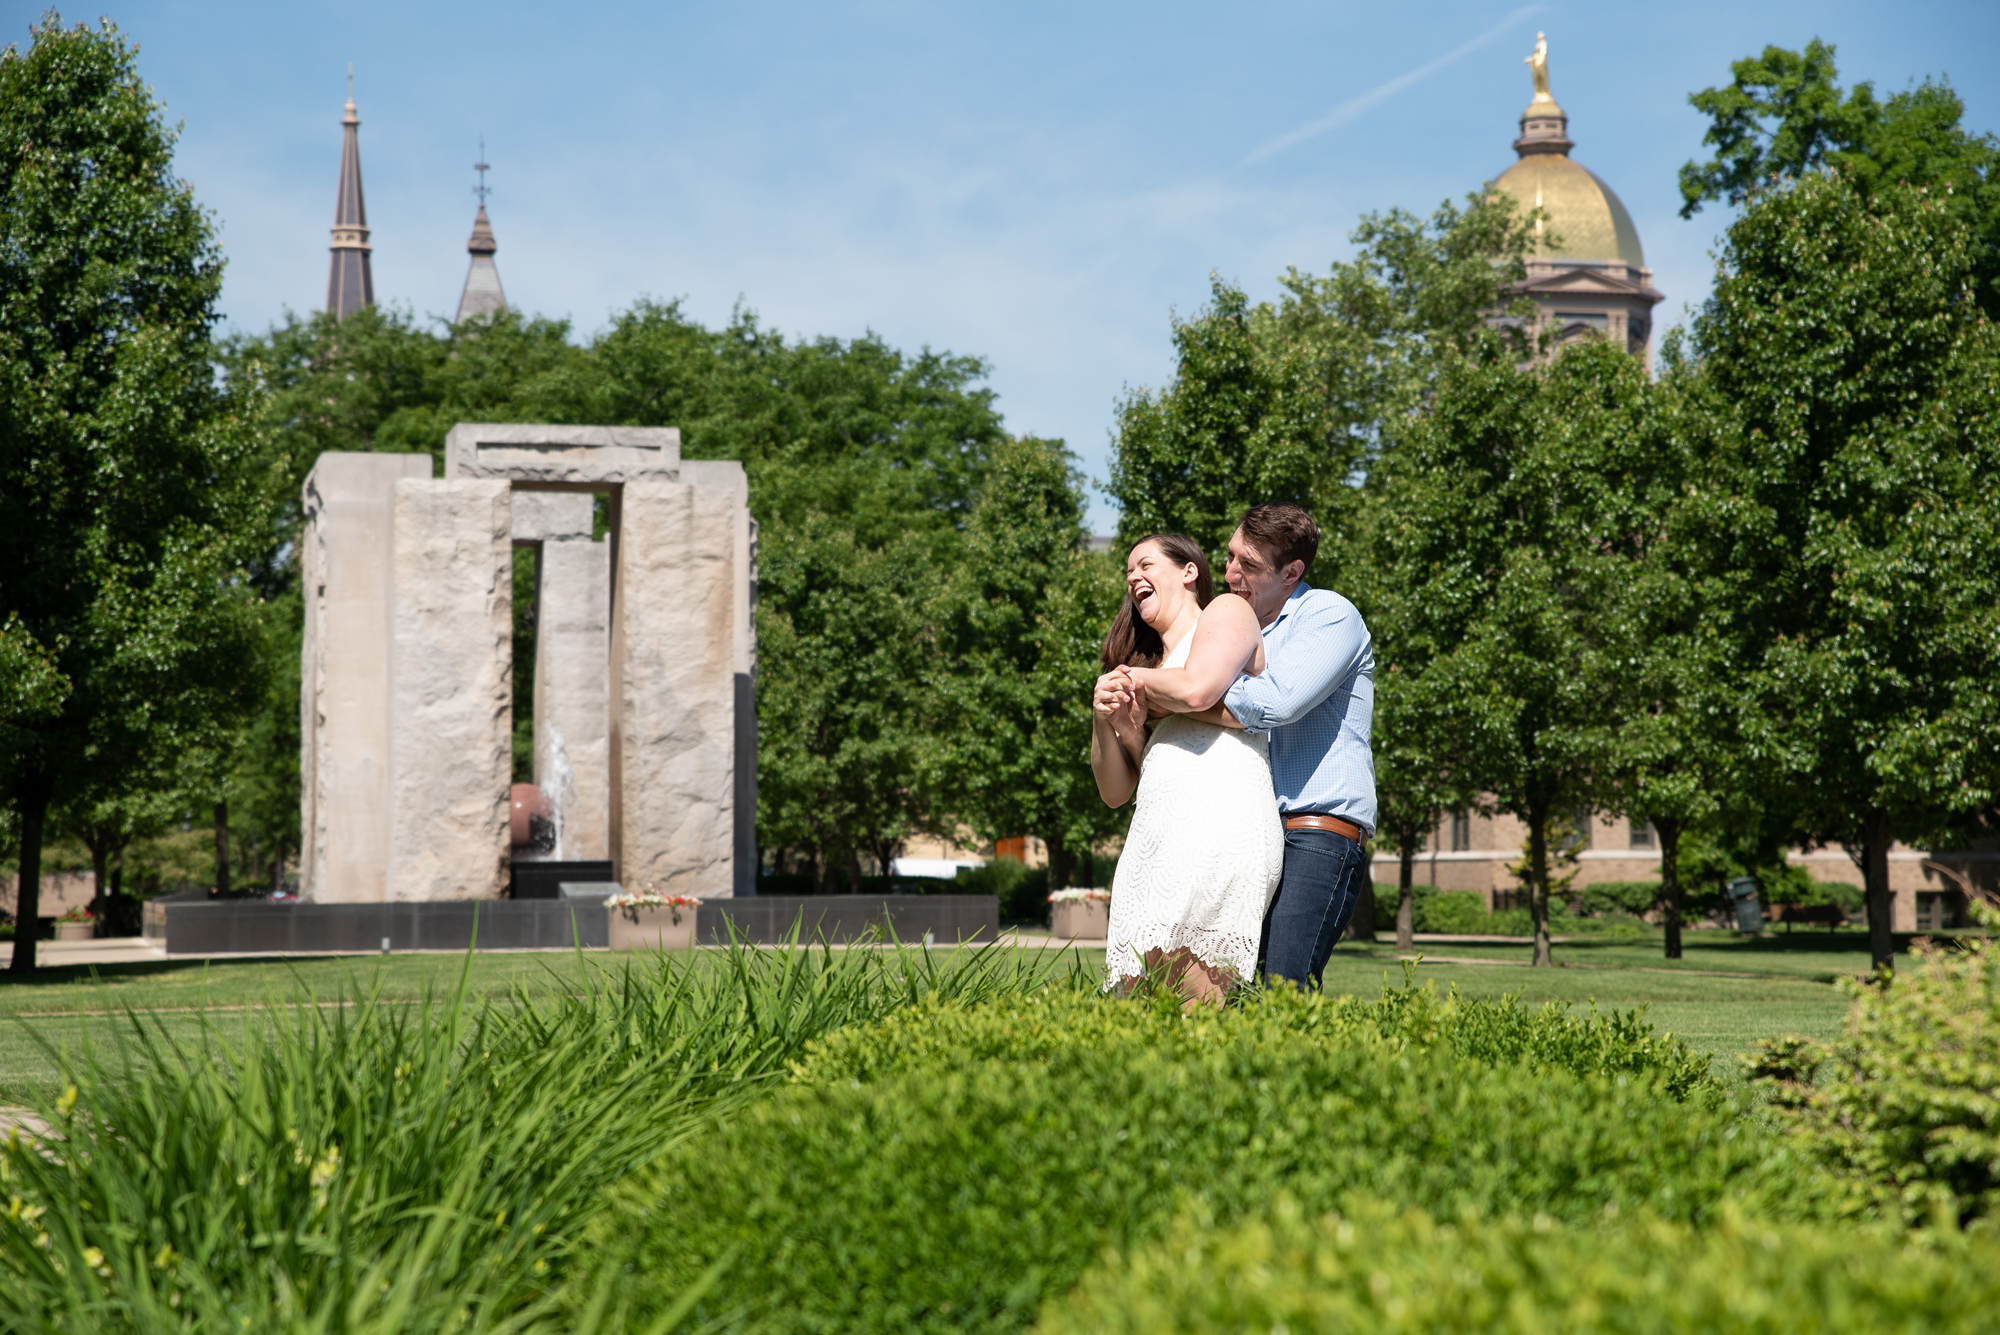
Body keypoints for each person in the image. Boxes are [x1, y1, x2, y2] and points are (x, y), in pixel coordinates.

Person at [1123, 504, 1375, 987]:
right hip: (1253, 833)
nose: (1231, 573)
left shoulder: (1328, 614)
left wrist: (1173, 690)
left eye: (1250, 565)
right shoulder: (1245, 631)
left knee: (1283, 985)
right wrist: (1184, 687)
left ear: (1292, 573)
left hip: (1316, 831)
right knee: (1228, 985)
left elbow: (1275, 704)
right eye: (1231, 555)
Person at [1090, 533, 1283, 1004]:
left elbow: (1197, 691)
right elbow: (1115, 792)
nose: (1134, 576)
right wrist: (1109, 721)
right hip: (1155, 839)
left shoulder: (1226, 611)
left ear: (1189, 572)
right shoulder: (1150, 669)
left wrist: (1128, 681)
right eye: (1128, 571)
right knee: (1135, 1006)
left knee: (1194, 1005)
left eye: (1146, 564)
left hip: (1218, 823)